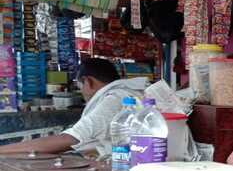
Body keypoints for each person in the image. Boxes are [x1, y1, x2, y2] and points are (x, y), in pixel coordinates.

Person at [0, 58, 147, 157]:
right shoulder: (127, 93)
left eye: (80, 86)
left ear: (88, 81)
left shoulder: (114, 99)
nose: (81, 92)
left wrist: (3, 150)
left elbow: (70, 139)